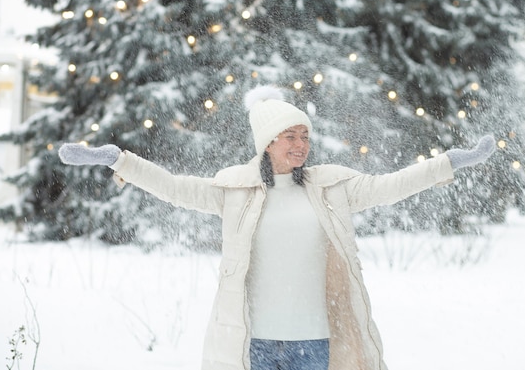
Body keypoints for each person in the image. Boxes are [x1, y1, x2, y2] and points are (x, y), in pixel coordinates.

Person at [59, 85, 495, 370]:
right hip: (256, 343)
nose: (301, 145)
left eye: (305, 137)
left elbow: (390, 186)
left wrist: (448, 163)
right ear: (267, 143)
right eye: (290, 137)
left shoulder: (332, 186)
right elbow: (173, 187)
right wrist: (118, 160)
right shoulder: (236, 189)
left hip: (316, 341)